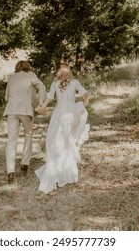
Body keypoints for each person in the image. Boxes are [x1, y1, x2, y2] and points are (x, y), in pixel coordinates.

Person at [35, 64, 89, 193]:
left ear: (60, 73)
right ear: (69, 73)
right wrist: (85, 102)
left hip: (59, 112)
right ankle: (66, 169)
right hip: (71, 112)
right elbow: (84, 93)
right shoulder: (75, 82)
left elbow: (49, 97)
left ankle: (58, 167)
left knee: (56, 138)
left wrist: (42, 107)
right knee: (67, 140)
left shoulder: (55, 84)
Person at [3, 60, 47, 184]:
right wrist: (40, 104)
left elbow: (6, 97)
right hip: (26, 110)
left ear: (17, 68)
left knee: (12, 140)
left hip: (11, 110)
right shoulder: (31, 76)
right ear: (28, 67)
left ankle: (10, 171)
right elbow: (42, 87)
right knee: (28, 135)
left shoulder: (11, 78)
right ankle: (24, 164)